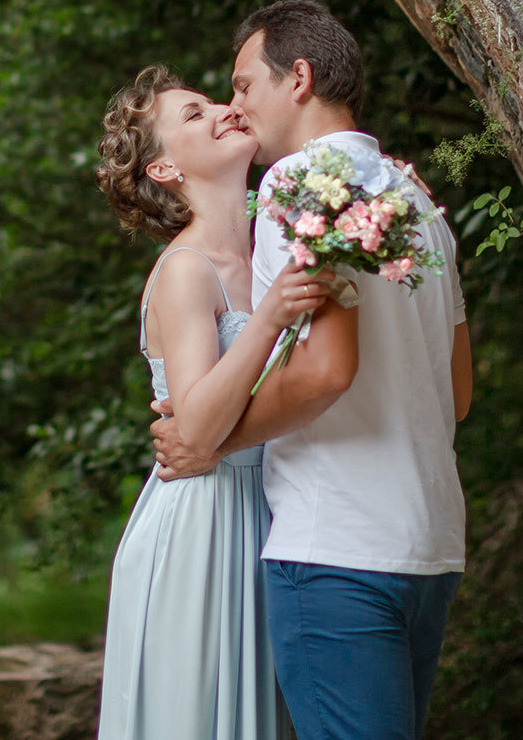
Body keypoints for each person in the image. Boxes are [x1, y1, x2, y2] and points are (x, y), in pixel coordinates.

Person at [151, 0, 473, 740]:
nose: (235, 106)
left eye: (242, 85)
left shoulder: (295, 186)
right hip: (429, 543)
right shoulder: (418, 200)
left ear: (297, 78)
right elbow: (457, 393)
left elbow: (326, 371)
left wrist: (212, 442)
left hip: (335, 547)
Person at [92, 65, 346, 740]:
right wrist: (269, 317)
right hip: (204, 523)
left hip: (278, 507)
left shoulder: (276, 243)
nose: (222, 110)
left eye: (215, 101)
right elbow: (199, 428)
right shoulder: (185, 270)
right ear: (166, 169)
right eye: (194, 114)